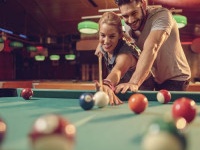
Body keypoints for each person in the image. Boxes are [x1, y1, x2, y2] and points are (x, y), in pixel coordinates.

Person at [110, 0, 191, 93]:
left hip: (176, 78)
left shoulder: (162, 15)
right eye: (125, 16)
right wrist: (102, 44)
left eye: (134, 13)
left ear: (143, 4)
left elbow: (152, 46)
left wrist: (133, 82)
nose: (131, 20)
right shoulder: (128, 26)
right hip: (156, 79)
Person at [95, 11, 154, 105]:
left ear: (120, 35)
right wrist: (100, 45)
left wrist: (107, 84)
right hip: (124, 92)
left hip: (144, 96)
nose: (106, 41)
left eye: (112, 36)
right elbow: (103, 42)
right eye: (103, 35)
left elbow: (117, 72)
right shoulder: (104, 46)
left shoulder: (125, 54)